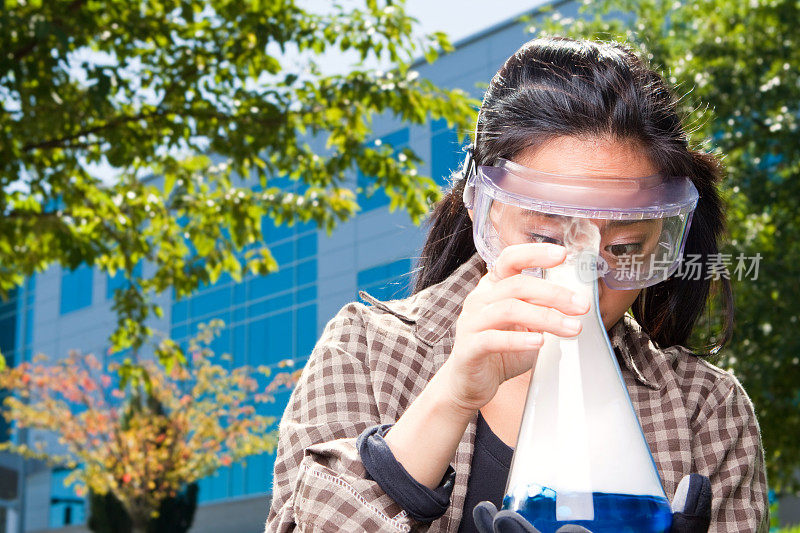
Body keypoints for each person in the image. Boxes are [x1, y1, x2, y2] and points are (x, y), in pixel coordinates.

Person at [264, 38, 768, 532]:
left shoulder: (706, 406)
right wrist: (451, 397)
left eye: (626, 246)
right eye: (548, 236)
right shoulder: (366, 351)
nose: (583, 277)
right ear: (482, 207)